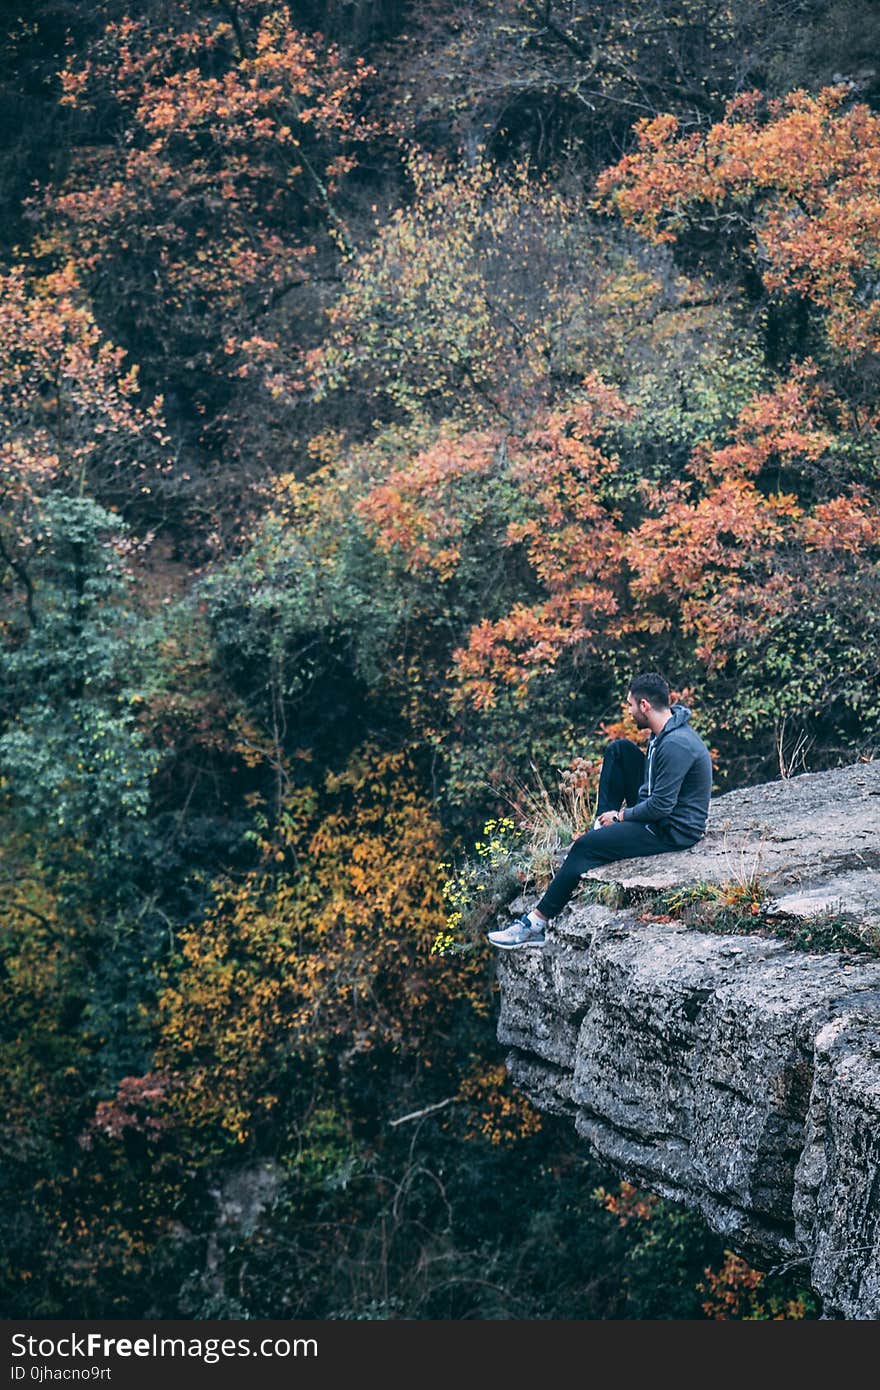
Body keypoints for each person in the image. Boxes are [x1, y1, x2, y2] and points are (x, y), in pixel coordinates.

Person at [487, 673, 713, 949]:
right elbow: (655, 790)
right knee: (619, 750)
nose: (628, 712)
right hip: (661, 813)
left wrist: (621, 817)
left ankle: (534, 924)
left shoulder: (676, 744)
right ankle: (601, 828)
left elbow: (661, 806)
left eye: (630, 705)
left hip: (672, 829)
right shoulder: (664, 730)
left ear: (644, 705)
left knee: (583, 848)